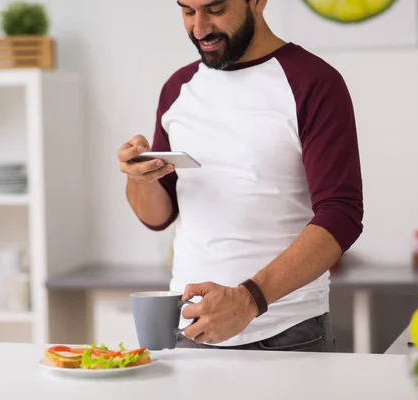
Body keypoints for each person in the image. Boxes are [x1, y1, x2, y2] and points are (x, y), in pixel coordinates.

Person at [117, 0, 363, 352]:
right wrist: (139, 177)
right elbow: (159, 215)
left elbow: (342, 214)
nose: (199, 29)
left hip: (287, 332)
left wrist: (249, 299)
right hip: (190, 330)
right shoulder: (178, 88)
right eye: (188, 12)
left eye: (215, 10)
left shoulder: (314, 82)